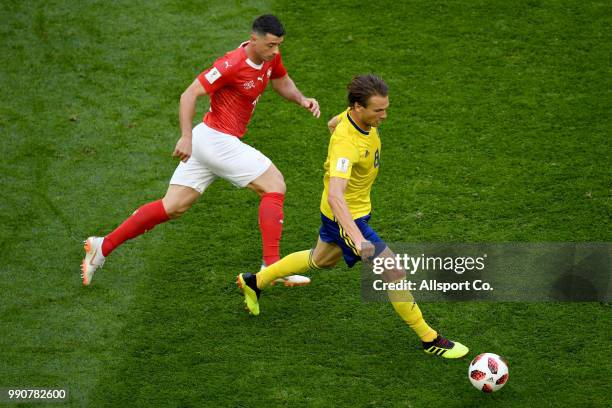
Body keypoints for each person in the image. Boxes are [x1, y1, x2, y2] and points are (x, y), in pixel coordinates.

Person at [237, 74, 468, 358]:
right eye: (378, 110)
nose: (384, 115)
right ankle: (429, 338)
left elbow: (333, 123)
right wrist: (358, 239)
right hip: (345, 217)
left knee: (319, 260)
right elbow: (336, 195)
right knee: (394, 271)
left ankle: (254, 281)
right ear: (359, 107)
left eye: (385, 108)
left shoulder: (354, 118)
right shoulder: (347, 144)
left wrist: (339, 134)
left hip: (348, 212)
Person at [81, 15, 319, 287]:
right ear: (254, 40)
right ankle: (272, 266)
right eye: (271, 45)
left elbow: (281, 81)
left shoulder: (269, 58)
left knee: (172, 207)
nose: (276, 51)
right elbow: (189, 94)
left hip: (208, 140)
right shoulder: (230, 65)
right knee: (274, 184)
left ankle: (102, 246)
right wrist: (185, 137)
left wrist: (302, 99)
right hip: (216, 140)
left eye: (278, 45)